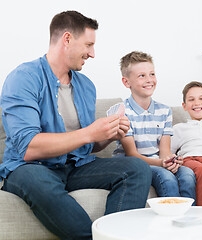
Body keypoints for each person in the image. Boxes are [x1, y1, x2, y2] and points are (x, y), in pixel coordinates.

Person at [0, 11, 152, 239]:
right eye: (89, 44)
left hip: (75, 166)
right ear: (67, 39)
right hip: (32, 167)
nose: (92, 53)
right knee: (36, 179)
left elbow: (85, 144)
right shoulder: (24, 78)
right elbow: (28, 147)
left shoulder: (86, 86)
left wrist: (107, 135)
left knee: (137, 168)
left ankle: (113, 235)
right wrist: (90, 132)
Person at [113, 51, 196, 202]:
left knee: (188, 175)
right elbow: (132, 155)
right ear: (126, 82)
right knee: (167, 178)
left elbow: (164, 151)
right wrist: (161, 164)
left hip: (158, 162)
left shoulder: (164, 111)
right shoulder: (123, 112)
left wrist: (171, 161)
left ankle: (186, 220)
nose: (149, 80)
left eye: (152, 74)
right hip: (135, 165)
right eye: (141, 76)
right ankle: (171, 221)